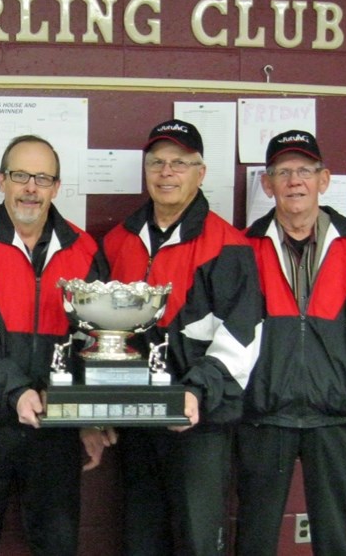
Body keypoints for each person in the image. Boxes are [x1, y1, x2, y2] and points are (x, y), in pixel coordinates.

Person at [0, 135, 114, 556]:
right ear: (2, 180)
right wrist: (16, 391)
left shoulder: (85, 250)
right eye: (20, 175)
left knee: (57, 546)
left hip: (54, 431)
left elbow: (95, 339)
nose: (30, 187)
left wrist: (86, 416)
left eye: (42, 178)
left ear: (56, 186)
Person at [102, 119, 263, 555]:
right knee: (140, 538)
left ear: (200, 172)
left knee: (197, 539)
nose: (166, 172)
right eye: (157, 162)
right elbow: (99, 331)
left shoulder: (228, 246)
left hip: (198, 421)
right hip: (135, 419)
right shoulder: (118, 240)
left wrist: (195, 392)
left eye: (179, 163)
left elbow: (242, 336)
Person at [235, 130, 346, 556]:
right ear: (267, 184)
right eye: (283, 172)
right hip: (265, 415)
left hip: (335, 417)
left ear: (324, 179)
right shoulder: (245, 247)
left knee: (336, 538)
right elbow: (236, 332)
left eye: (304, 170)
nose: (294, 181)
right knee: (255, 537)